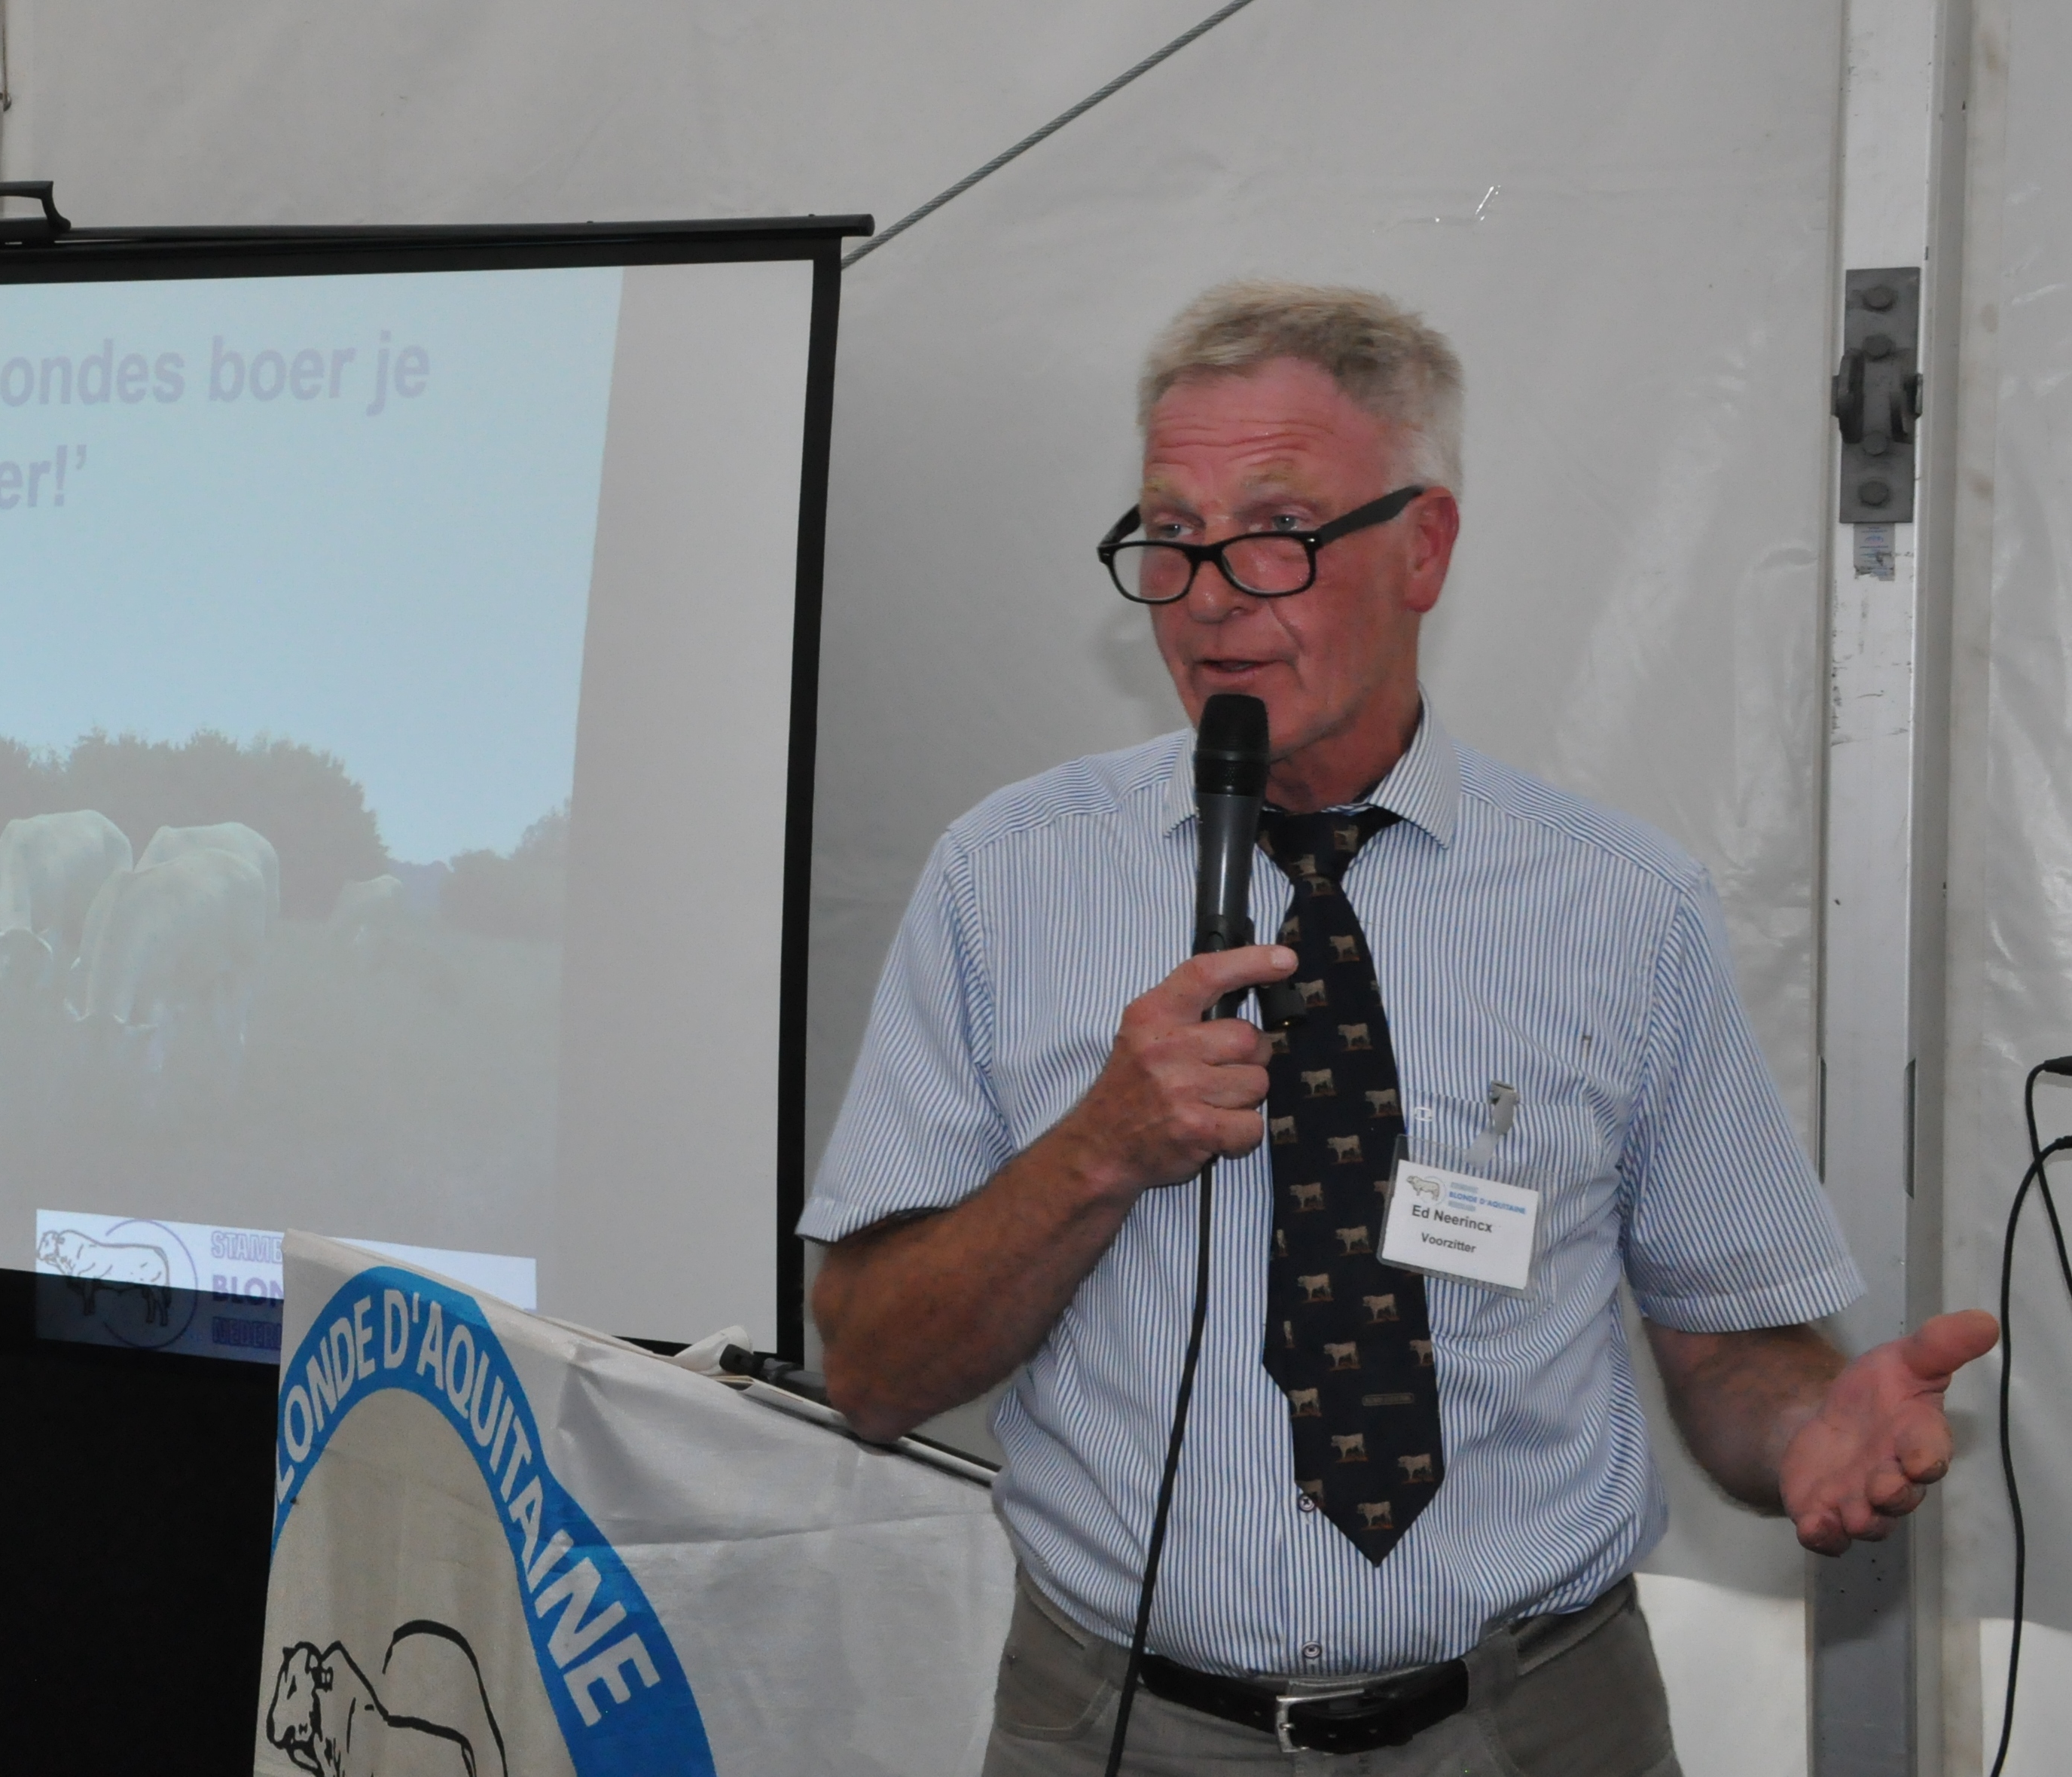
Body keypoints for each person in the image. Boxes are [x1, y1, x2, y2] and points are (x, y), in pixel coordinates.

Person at [801, 281, 1997, 1775]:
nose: (1214, 591)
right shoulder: (1006, 877)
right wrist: (1096, 1150)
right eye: (1170, 539)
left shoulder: (1620, 905)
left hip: (1532, 1721)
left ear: (1422, 548)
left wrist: (1813, 1427)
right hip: (1120, 1722)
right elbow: (865, 1366)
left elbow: (1732, 1348)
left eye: (1279, 530)